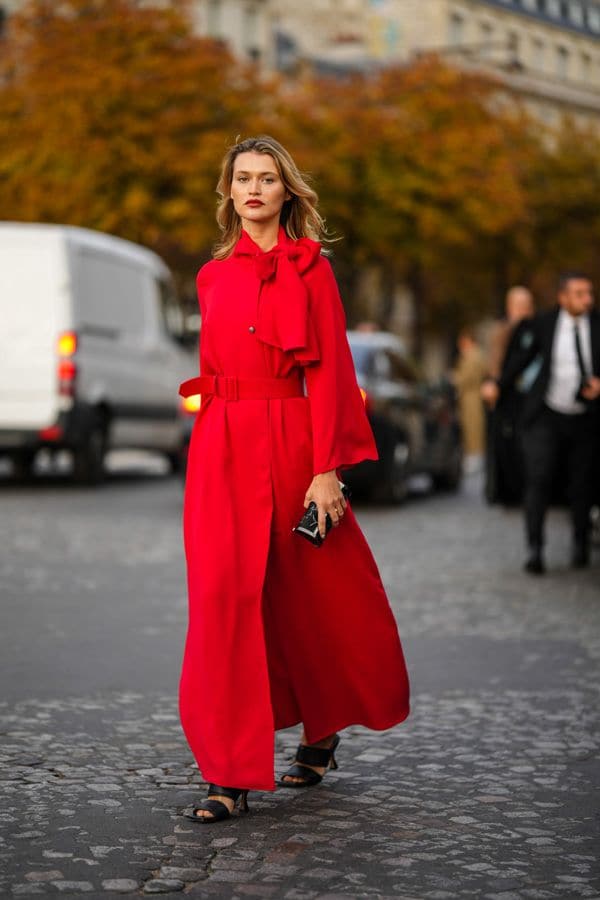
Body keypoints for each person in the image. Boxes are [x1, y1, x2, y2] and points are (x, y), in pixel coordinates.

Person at [178, 136, 410, 824]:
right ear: (228, 191)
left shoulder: (313, 271)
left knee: (310, 595)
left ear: (287, 192)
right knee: (222, 598)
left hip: (290, 440)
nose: (253, 189)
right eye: (243, 178)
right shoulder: (210, 276)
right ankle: (227, 770)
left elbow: (331, 371)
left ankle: (322, 725)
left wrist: (326, 471)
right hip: (219, 442)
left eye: (267, 179)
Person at [486, 273, 600, 573]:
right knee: (539, 479)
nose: (587, 299)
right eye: (579, 294)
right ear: (563, 297)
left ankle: (580, 544)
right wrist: (497, 384)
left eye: (589, 293)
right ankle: (535, 549)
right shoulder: (545, 325)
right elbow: (520, 360)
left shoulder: (597, 325)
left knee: (582, 485)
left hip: (585, 418)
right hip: (546, 416)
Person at [482, 286, 536, 504]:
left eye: (526, 306)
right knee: (503, 443)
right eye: (518, 306)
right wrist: (493, 384)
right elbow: (495, 361)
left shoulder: (534, 329)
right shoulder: (502, 330)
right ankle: (504, 490)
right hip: (505, 395)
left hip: (528, 395)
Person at [452, 329, 487, 472]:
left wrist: (455, 378)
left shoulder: (473, 355)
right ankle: (474, 458)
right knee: (471, 427)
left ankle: (475, 459)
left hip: (472, 397)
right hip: (470, 396)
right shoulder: (474, 355)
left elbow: (466, 377)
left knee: (473, 428)